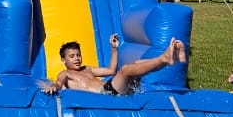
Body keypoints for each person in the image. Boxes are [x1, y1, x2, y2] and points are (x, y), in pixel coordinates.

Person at [43, 33, 186, 95]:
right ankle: (164, 58)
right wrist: (53, 87)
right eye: (72, 56)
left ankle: (168, 58)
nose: (77, 59)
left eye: (78, 55)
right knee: (125, 70)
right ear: (63, 60)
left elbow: (111, 71)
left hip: (112, 89)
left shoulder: (87, 69)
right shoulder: (66, 74)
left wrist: (114, 48)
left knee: (137, 64)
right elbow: (59, 82)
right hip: (106, 94)